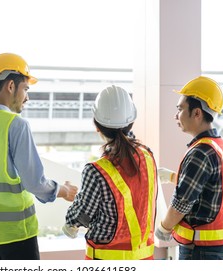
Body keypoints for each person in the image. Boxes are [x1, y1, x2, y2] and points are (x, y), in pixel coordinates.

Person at [0, 53, 78, 260]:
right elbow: (34, 183)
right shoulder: (17, 125)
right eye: (25, 89)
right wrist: (63, 190)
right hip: (16, 235)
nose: (27, 97)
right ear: (11, 86)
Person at [64, 85, 158, 260]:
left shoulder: (97, 171)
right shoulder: (148, 157)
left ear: (97, 126)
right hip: (144, 258)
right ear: (131, 122)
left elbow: (83, 215)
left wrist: (70, 223)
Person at [156, 76, 223, 260]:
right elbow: (213, 186)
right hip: (218, 243)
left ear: (197, 113)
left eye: (180, 109)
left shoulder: (201, 152)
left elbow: (181, 204)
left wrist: (164, 228)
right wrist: (173, 177)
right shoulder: (222, 146)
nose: (176, 115)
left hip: (200, 248)